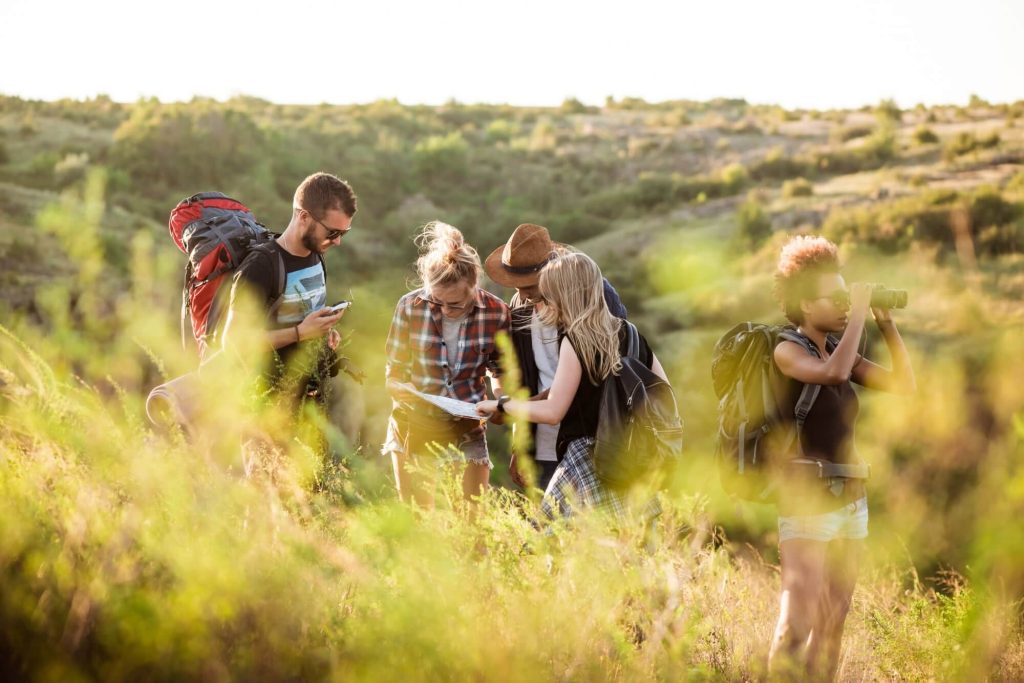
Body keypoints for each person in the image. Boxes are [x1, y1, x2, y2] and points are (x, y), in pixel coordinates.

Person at [766, 236, 915, 679]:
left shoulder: (840, 351)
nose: (848, 304)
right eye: (838, 297)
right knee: (798, 625)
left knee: (833, 624)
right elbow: (831, 375)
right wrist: (857, 318)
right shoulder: (787, 349)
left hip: (852, 502)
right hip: (808, 502)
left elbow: (904, 386)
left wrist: (884, 323)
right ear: (806, 305)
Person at [475, 252, 668, 520]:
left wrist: (499, 404)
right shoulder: (631, 332)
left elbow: (554, 410)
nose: (539, 307)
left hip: (587, 463)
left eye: (545, 299)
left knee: (553, 545)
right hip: (631, 462)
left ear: (564, 296)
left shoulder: (576, 341)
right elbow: (664, 396)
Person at [483, 223, 628, 492]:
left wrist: (512, 407)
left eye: (528, 285)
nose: (521, 293)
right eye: (514, 285)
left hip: (594, 441)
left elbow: (611, 369)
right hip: (543, 445)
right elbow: (523, 378)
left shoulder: (595, 296)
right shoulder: (519, 306)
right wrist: (521, 445)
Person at [383, 221, 510, 507]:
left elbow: (499, 369)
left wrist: (501, 400)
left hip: (467, 424)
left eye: (453, 304)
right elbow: (395, 366)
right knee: (418, 518)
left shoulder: (497, 313)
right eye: (436, 301)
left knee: (473, 521)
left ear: (473, 287)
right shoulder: (409, 306)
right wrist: (396, 386)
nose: (443, 310)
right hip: (415, 422)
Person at [224, 172, 357, 409]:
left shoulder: (316, 255)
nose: (337, 241)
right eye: (332, 232)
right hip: (267, 408)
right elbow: (234, 343)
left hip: (310, 401)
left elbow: (300, 317)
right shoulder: (261, 266)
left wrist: (322, 332)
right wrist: (300, 333)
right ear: (303, 216)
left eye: (343, 233)